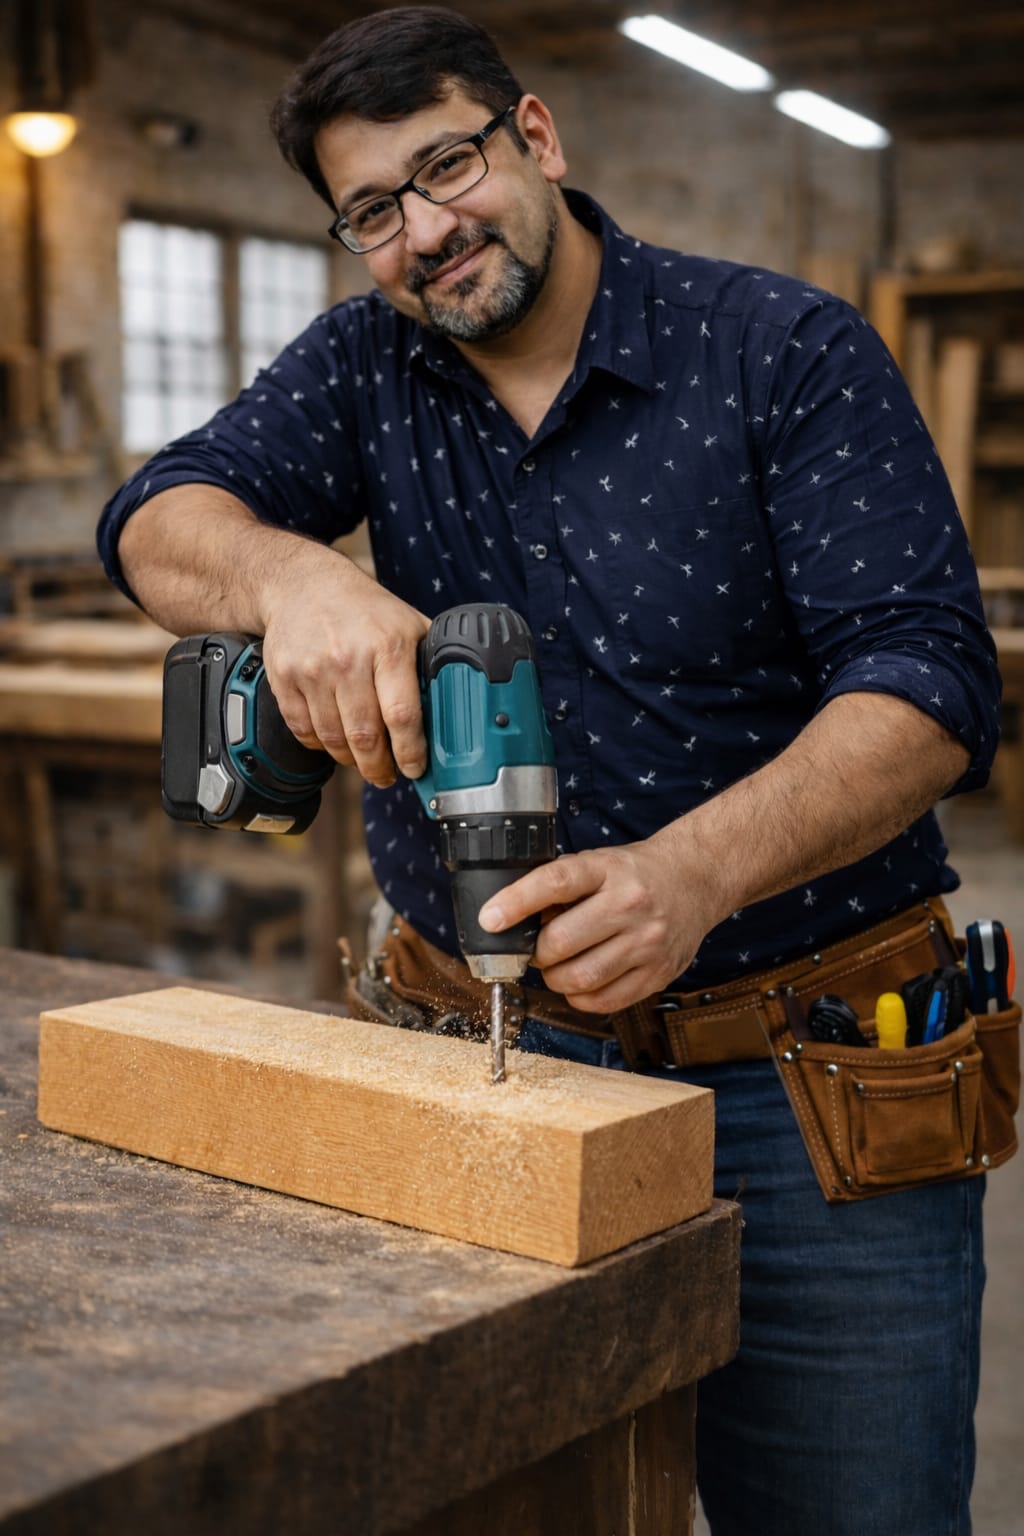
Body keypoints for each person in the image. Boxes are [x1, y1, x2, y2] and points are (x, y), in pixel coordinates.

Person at [97, 9, 1004, 1533]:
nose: (426, 232)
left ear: (536, 139)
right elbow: (151, 517)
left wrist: (694, 871)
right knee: (502, 1501)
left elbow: (930, 687)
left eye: (447, 167)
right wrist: (290, 581)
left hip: (811, 1072)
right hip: (483, 1057)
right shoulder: (364, 367)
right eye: (372, 211)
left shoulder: (780, 350)